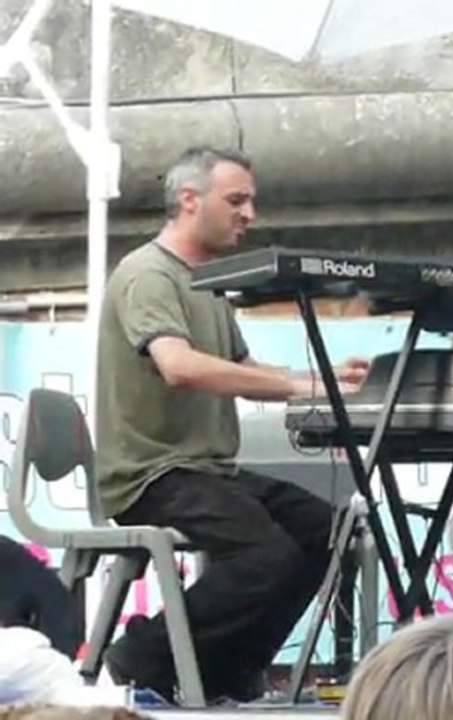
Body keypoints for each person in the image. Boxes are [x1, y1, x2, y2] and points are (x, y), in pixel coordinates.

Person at [95, 146, 369, 703]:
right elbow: (178, 365)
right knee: (265, 557)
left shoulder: (207, 283)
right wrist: (299, 387)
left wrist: (321, 378)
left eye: (252, 202)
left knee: (330, 531)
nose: (250, 215)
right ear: (189, 200)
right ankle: (135, 659)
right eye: (237, 200)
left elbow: (242, 368)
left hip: (207, 470)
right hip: (152, 473)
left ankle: (224, 674)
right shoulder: (146, 275)